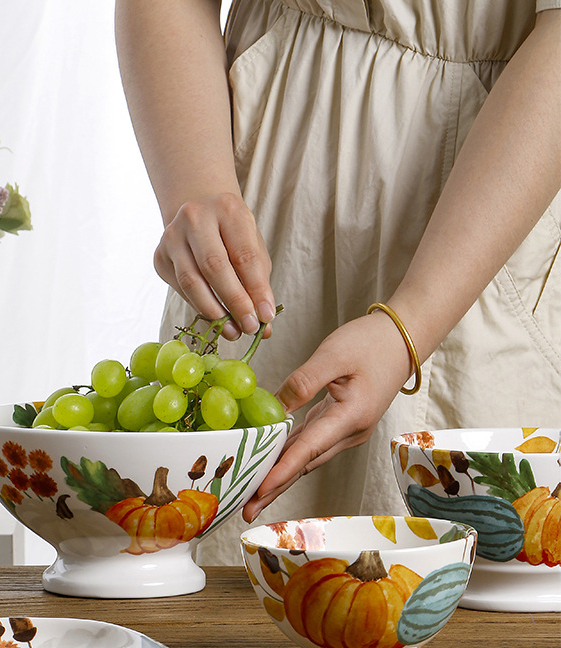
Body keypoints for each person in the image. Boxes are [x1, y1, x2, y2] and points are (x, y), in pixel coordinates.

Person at [115, 0, 561, 565]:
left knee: (472, 607)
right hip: (261, 193)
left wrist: (410, 325)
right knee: (217, 602)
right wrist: (196, 187)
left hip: (479, 224)